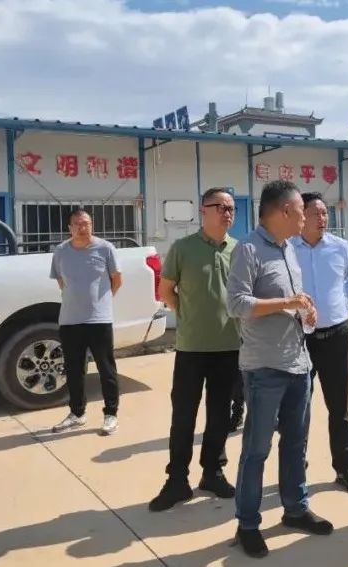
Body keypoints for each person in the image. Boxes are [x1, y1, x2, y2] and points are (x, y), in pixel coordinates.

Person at [227, 180, 333, 559]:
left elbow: (291, 304)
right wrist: (288, 302)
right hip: (265, 368)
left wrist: (306, 312)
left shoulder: (289, 249)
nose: (307, 218)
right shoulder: (248, 249)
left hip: (298, 364)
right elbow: (237, 304)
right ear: (285, 211)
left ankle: (295, 509)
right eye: (302, 212)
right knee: (256, 450)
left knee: (295, 443)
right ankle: (248, 524)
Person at [148, 188, 242, 512]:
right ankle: (177, 481)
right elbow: (166, 290)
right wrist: (188, 315)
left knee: (220, 415)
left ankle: (212, 472)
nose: (227, 213)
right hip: (192, 348)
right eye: (221, 207)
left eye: (231, 208)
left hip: (229, 346)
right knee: (183, 416)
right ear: (204, 210)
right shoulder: (183, 248)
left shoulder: (239, 250)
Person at [292, 192, 348, 496]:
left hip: (336, 337)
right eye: (316, 213)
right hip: (299, 338)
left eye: (325, 213)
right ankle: (296, 468)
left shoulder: (339, 247)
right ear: (302, 215)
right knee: (298, 407)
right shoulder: (288, 248)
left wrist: (338, 304)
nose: (323, 218)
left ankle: (345, 469)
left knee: (339, 407)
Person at [49, 209, 122, 436]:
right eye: (78, 224)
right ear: (70, 228)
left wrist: (100, 303)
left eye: (87, 223)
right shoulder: (61, 251)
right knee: (74, 370)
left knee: (106, 368)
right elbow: (61, 281)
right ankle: (77, 413)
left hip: (99, 320)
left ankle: (111, 414)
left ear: (92, 225)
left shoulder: (105, 248)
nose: (83, 228)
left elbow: (116, 280)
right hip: (70, 320)